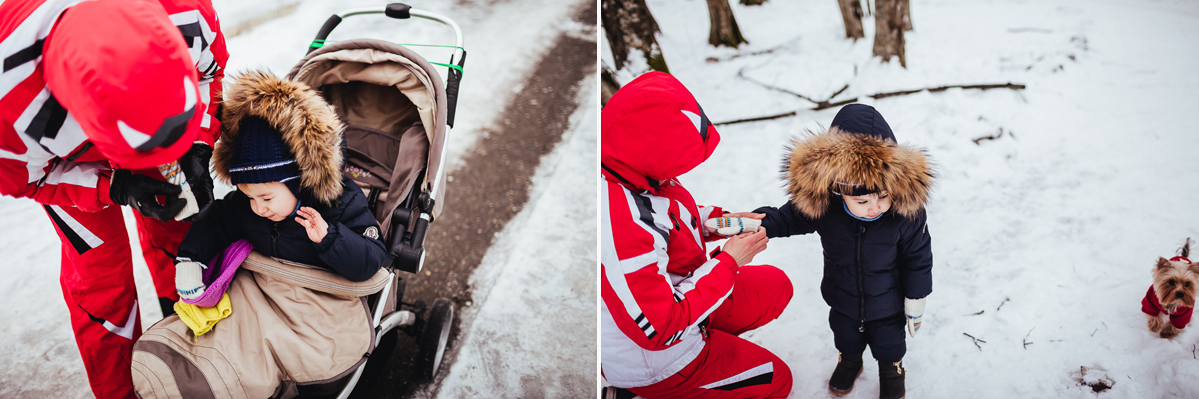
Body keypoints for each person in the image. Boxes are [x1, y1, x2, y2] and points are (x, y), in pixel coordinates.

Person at [0, 0, 226, 397]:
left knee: (178, 224)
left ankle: (189, 343)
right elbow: (31, 180)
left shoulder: (187, 12)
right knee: (101, 276)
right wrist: (113, 187)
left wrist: (200, 143)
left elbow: (211, 72)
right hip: (63, 162)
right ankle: (121, 390)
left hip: (137, 120)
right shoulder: (9, 108)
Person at [600, 71, 794, 399]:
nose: (678, 175)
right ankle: (640, 389)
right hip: (656, 358)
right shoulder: (617, 226)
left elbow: (666, 211)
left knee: (775, 288)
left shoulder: (627, 165)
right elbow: (658, 329)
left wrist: (717, 223)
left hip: (683, 293)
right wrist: (728, 262)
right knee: (777, 382)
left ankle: (707, 333)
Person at [752, 104, 934, 399]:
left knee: (890, 342)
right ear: (839, 190)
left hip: (889, 302)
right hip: (842, 296)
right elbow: (787, 218)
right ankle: (849, 360)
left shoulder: (905, 214)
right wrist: (755, 223)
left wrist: (916, 297)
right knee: (845, 335)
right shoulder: (825, 207)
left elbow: (918, 258)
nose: (874, 207)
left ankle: (892, 369)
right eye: (862, 202)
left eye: (882, 196)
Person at [173, 70, 387, 305]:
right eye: (250, 197)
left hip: (322, 300)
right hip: (269, 294)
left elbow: (372, 260)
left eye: (266, 198)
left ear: (297, 182)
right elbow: (215, 224)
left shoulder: (341, 203)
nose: (258, 208)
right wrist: (190, 260)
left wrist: (329, 238)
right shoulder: (247, 205)